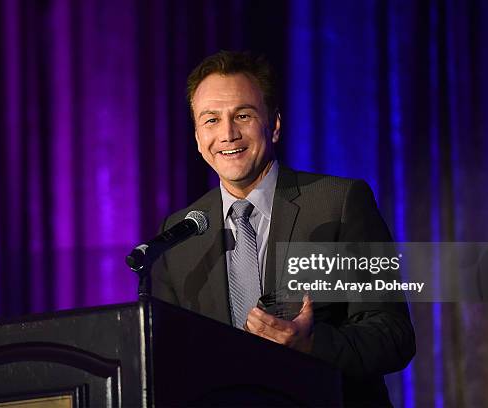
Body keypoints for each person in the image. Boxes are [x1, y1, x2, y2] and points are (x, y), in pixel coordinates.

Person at [151, 50, 415, 407]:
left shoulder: (338, 203)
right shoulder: (181, 233)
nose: (227, 133)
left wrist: (310, 344)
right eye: (211, 120)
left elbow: (393, 336)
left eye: (242, 115)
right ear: (198, 138)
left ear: (273, 125)